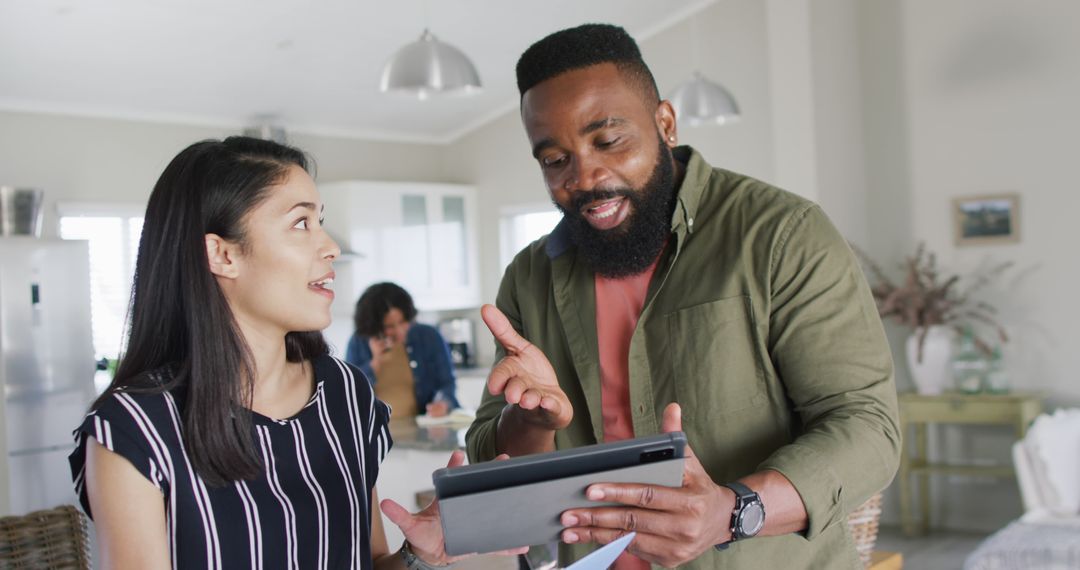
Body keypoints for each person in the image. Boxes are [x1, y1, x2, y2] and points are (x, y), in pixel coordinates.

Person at [465, 23, 901, 569]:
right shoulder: (530, 277)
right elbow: (491, 456)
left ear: (664, 123)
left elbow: (865, 425)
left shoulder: (781, 235)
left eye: (607, 141)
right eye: (555, 160)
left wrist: (733, 511)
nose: (586, 175)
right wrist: (530, 421)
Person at [68, 137, 522, 569]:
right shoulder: (135, 430)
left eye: (320, 221)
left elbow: (368, 562)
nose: (330, 247)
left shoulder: (345, 394)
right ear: (222, 254)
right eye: (301, 223)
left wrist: (419, 556)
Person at [346, 282, 461, 418]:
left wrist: (443, 403)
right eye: (389, 326)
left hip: (421, 431)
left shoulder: (428, 336)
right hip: (375, 434)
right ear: (373, 326)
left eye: (403, 322)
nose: (399, 331)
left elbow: (447, 383)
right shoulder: (358, 342)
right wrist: (375, 362)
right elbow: (349, 394)